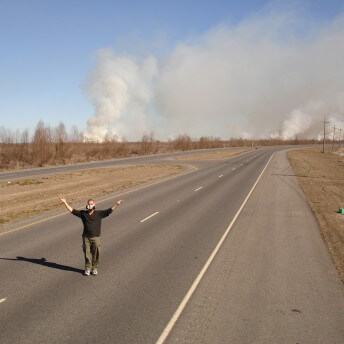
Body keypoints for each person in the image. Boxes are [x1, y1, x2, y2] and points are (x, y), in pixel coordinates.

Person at [59, 196, 124, 276]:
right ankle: (88, 268)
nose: (90, 206)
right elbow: (72, 210)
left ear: (94, 205)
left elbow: (109, 211)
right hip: (86, 237)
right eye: (88, 204)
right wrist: (65, 202)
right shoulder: (83, 214)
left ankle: (95, 268)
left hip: (96, 237)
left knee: (96, 253)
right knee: (87, 253)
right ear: (86, 205)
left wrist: (117, 204)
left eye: (91, 204)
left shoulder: (99, 214)